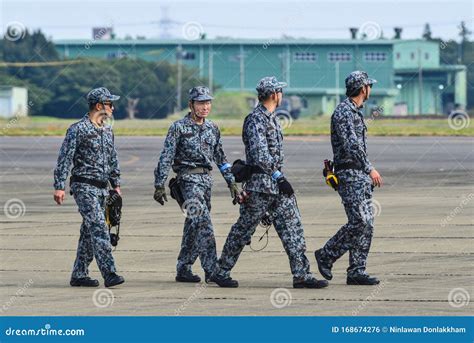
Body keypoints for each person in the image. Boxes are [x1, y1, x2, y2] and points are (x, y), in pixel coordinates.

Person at [212, 76, 328, 289]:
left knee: (293, 228)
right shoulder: (256, 119)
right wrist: (279, 177)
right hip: (260, 186)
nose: (281, 95)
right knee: (243, 230)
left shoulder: (272, 118)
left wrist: (279, 180)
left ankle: (302, 275)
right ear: (274, 94)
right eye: (280, 91)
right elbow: (260, 155)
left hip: (276, 187)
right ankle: (221, 271)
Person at [154, 86, 239, 284]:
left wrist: (232, 183)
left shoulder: (212, 128)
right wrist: (159, 184)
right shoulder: (178, 128)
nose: (205, 106)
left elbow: (221, 158)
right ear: (191, 104)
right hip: (187, 182)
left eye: (208, 102)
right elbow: (165, 157)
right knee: (203, 223)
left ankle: (183, 267)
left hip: (206, 181)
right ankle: (213, 271)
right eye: (200, 103)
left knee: (193, 226)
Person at [314, 71, 383, 286]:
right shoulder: (344, 112)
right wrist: (369, 168)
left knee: (367, 224)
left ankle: (357, 270)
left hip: (358, 174)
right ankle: (326, 254)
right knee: (359, 222)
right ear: (363, 89)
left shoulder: (355, 112)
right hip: (350, 173)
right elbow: (352, 146)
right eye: (369, 86)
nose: (370, 89)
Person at [53, 87, 124, 288]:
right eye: (110, 103)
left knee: (89, 231)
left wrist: (116, 184)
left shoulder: (107, 130)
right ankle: (109, 273)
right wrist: (59, 186)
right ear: (99, 106)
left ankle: (79, 274)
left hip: (102, 188)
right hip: (83, 186)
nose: (113, 107)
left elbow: (113, 159)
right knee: (99, 227)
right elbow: (64, 159)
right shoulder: (78, 129)